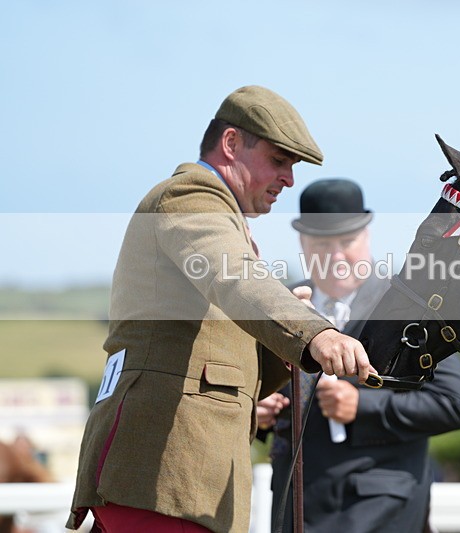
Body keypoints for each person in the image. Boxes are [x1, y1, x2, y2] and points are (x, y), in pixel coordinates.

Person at [66, 86, 374, 533]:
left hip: (168, 478)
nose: (289, 179)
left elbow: (227, 343)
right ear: (231, 144)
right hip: (164, 474)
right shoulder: (192, 196)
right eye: (279, 159)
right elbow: (236, 279)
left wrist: (281, 339)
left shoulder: (223, 219)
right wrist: (316, 333)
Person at [256, 179, 460, 533]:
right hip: (295, 506)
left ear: (367, 236)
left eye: (346, 242)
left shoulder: (407, 307)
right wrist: (257, 412)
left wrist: (362, 407)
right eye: (323, 245)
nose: (336, 256)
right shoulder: (285, 304)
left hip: (380, 508)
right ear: (303, 243)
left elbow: (453, 405)